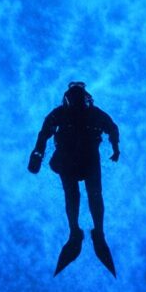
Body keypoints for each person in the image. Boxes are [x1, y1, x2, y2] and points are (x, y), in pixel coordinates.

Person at [28, 82, 120, 276]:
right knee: (91, 195)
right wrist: (115, 148)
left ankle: (78, 232)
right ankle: (91, 232)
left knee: (76, 195)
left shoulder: (63, 112)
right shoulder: (88, 113)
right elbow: (111, 128)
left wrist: (38, 154)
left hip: (72, 159)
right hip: (77, 158)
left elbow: (44, 134)